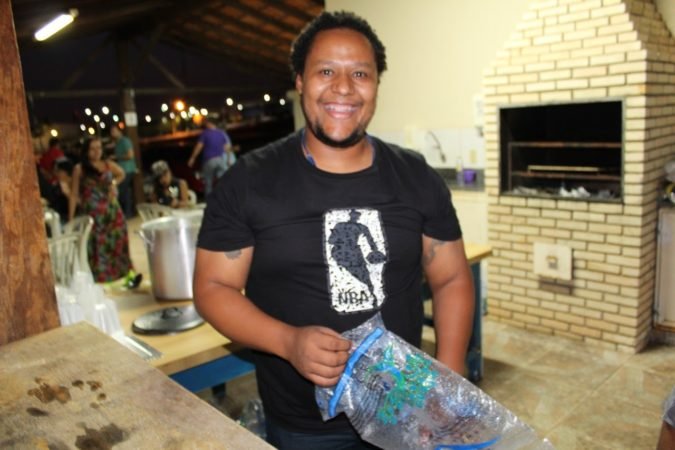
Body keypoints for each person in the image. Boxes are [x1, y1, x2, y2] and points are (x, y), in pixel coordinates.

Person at [193, 11, 474, 450]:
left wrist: (447, 378)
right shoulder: (248, 182)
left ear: (376, 85)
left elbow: (452, 277)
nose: (343, 87)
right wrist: (287, 341)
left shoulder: (416, 176)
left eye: (360, 73)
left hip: (405, 410)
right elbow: (213, 287)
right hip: (304, 426)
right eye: (326, 71)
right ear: (300, 82)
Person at [69, 137, 140, 286]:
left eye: (99, 148)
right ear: (86, 151)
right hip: (93, 216)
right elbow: (74, 194)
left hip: (112, 212)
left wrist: (113, 183)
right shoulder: (80, 169)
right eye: (92, 148)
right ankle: (102, 281)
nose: (97, 152)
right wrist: (71, 218)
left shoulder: (107, 164)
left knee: (118, 243)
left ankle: (125, 276)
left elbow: (121, 173)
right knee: (98, 249)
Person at [187, 118, 235, 197]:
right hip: (220, 160)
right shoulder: (221, 133)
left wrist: (192, 158)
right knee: (223, 180)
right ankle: (226, 197)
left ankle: (209, 200)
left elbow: (199, 147)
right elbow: (227, 147)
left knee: (208, 182)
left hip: (209, 160)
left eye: (206, 123)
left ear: (210, 123)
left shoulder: (205, 133)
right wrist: (229, 159)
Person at [110, 123, 138, 218]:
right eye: (111, 132)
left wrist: (116, 157)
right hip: (121, 170)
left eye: (114, 131)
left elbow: (130, 155)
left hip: (128, 170)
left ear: (119, 131)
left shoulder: (125, 141)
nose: (112, 133)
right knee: (124, 191)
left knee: (122, 191)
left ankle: (127, 212)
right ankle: (126, 212)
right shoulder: (117, 143)